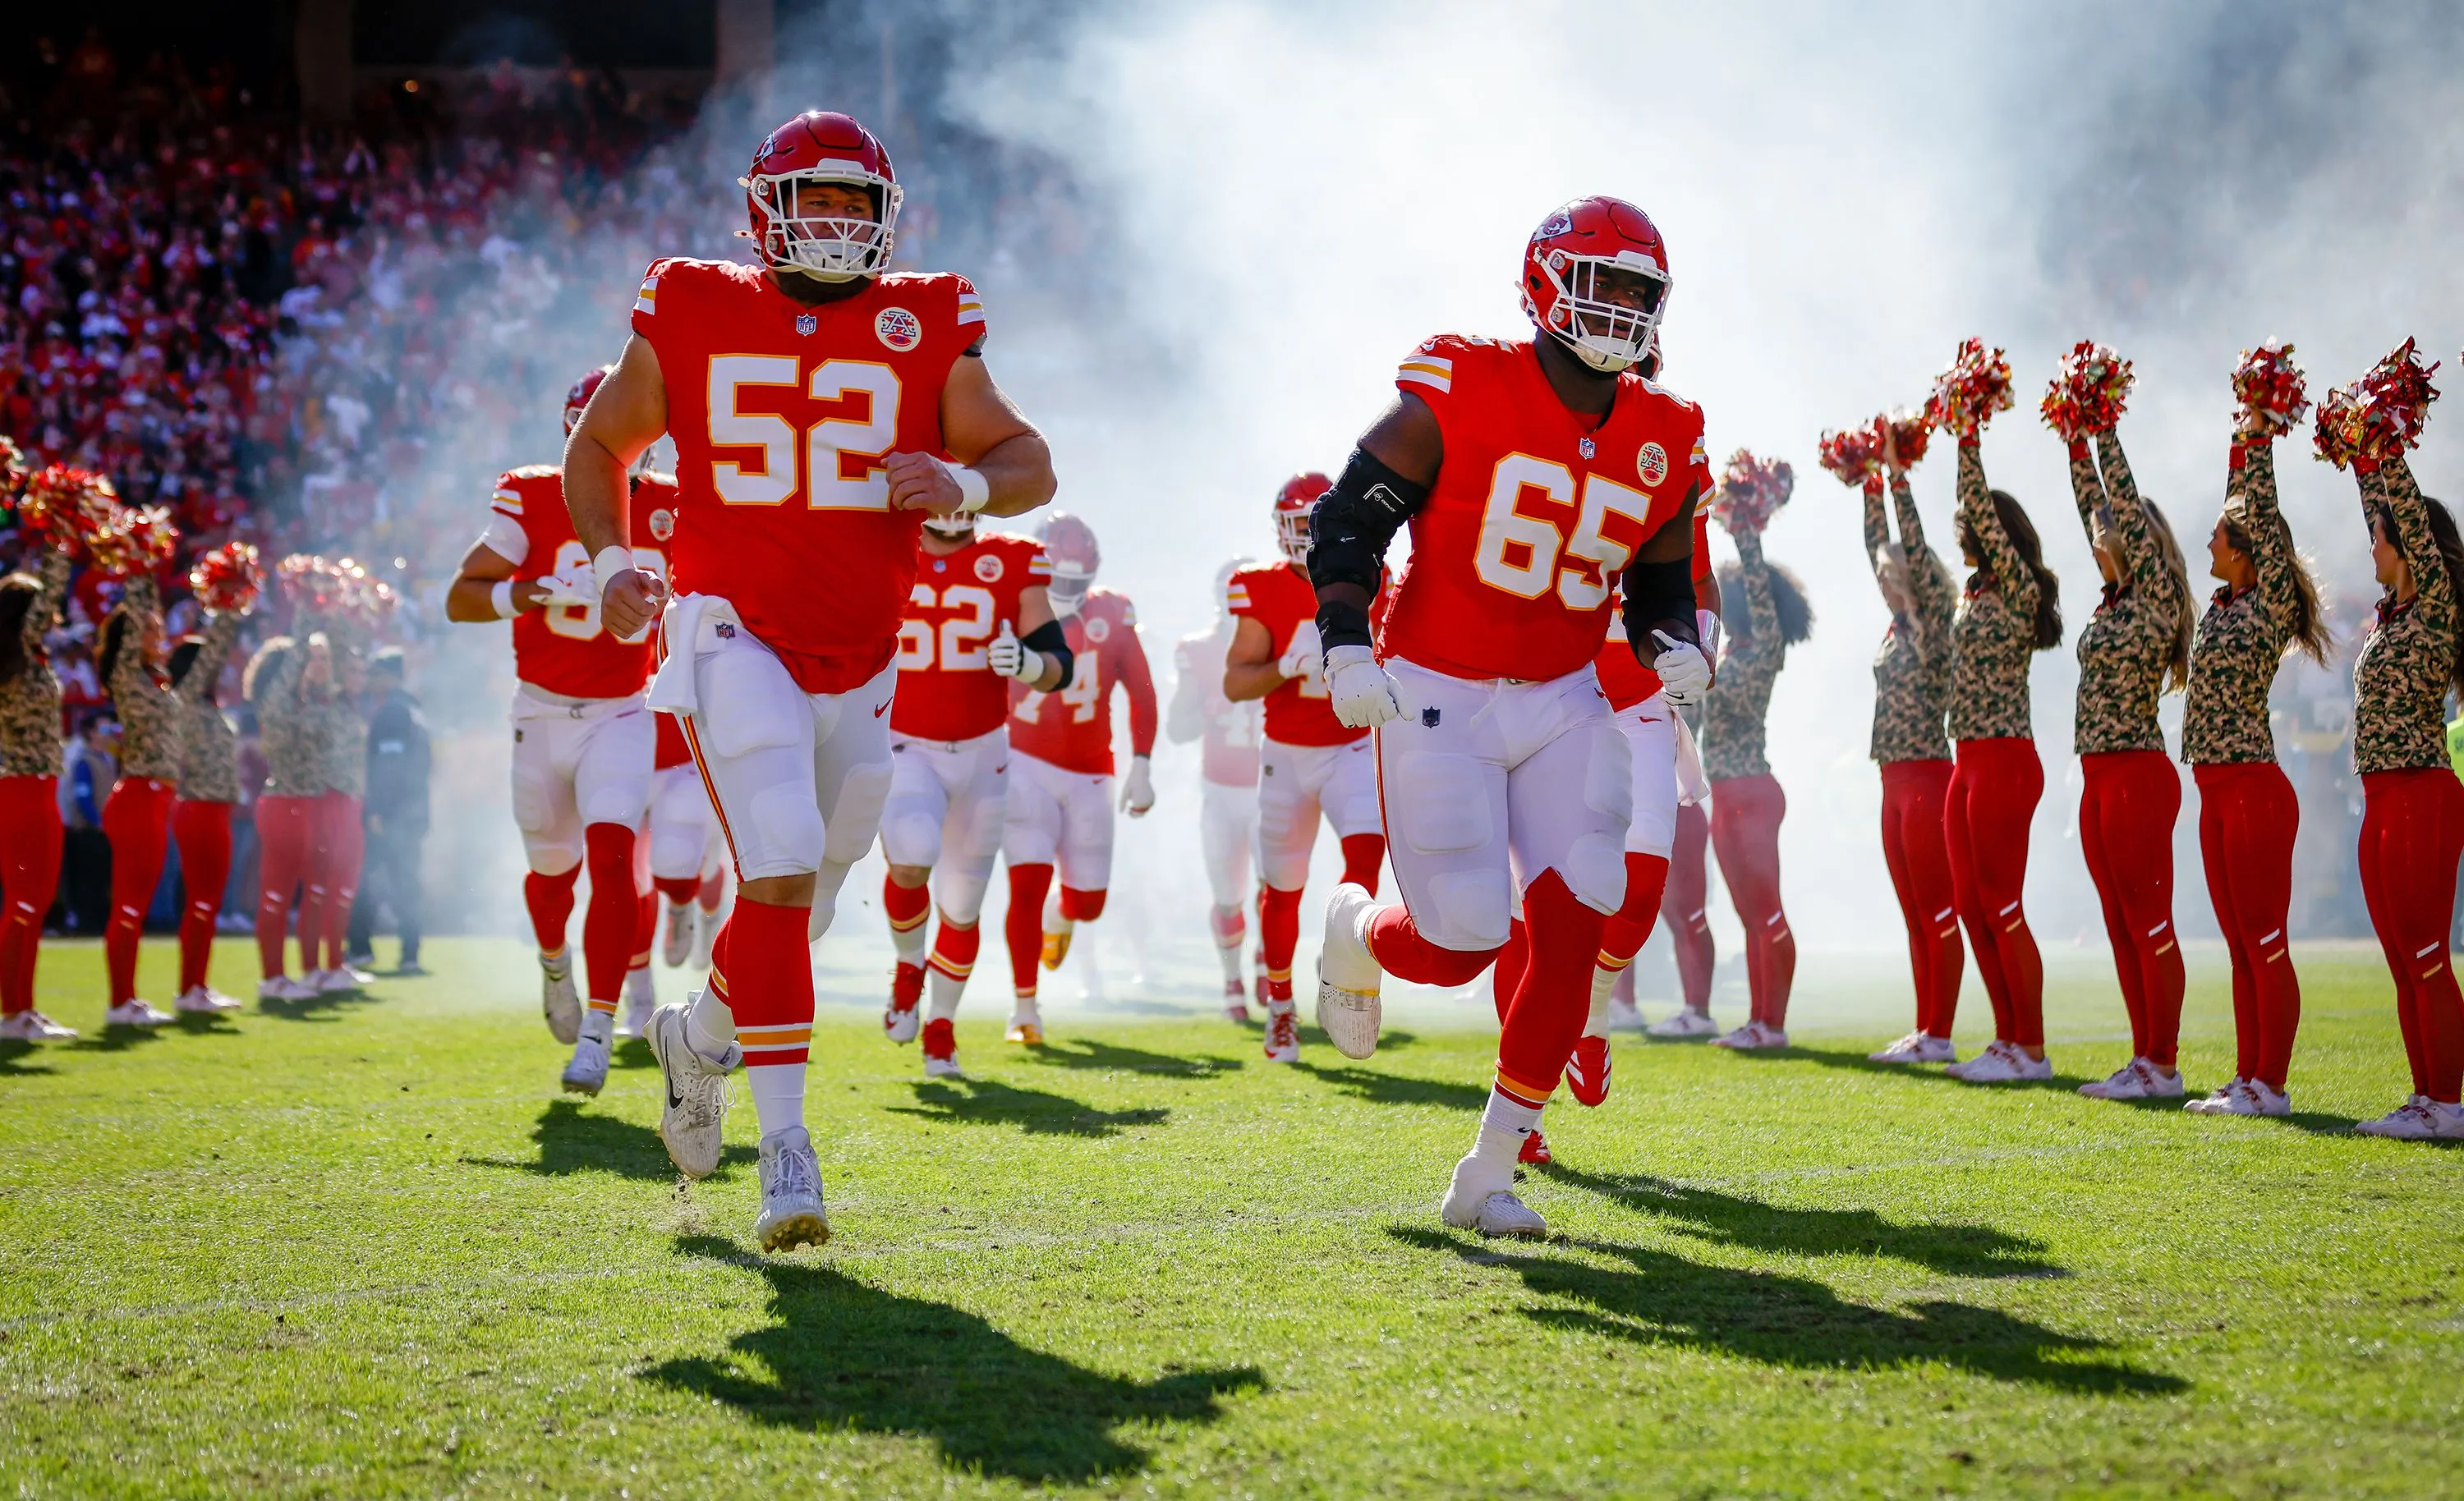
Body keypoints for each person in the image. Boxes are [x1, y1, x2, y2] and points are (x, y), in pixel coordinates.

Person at [573, 111, 1056, 1251]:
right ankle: (788, 1158)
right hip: (730, 628)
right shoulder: (694, 301)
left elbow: (1028, 460)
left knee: (811, 890)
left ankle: (697, 1038)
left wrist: (961, 482)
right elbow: (601, 446)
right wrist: (608, 563)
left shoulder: (927, 314)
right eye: (817, 201)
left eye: (855, 204)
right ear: (766, 209)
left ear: (885, 217)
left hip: (866, 653)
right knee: (783, 858)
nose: (836, 224)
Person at [1307, 198, 1711, 1237]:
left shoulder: (1667, 432)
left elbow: (1658, 580)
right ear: (1544, 279)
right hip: (1438, 691)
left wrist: (1674, 640)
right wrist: (1347, 638)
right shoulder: (1462, 380)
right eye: (1602, 282)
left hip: (1567, 699)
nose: (1619, 308)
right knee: (1463, 939)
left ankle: (1489, 1169)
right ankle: (1351, 932)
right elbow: (1350, 517)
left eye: (1637, 291)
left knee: (1578, 915)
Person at [444, 368, 675, 1097]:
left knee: (613, 858)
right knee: (553, 874)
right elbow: (461, 598)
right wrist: (529, 590)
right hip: (541, 710)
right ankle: (553, 962)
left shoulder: (675, 504)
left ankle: (600, 1031)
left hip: (622, 709)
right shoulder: (534, 492)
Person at [2182, 354, 2329, 1117]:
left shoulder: (2265, 602)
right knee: (2239, 941)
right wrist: (2240, 431)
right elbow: (2242, 503)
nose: (2206, 542)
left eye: (2217, 534)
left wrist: (2262, 434)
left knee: (2265, 938)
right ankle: (2248, 1079)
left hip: (2252, 789)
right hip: (2213, 787)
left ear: (2245, 550)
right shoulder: (2224, 599)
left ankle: (2271, 1083)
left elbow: (2258, 509)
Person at [877, 507, 1064, 1080]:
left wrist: (1029, 663)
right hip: (907, 742)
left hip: (984, 752)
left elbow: (1061, 666)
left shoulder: (1012, 556)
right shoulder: (884, 544)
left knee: (961, 907)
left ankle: (942, 1027)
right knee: (910, 856)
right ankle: (910, 965)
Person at [1223, 475, 1386, 1062]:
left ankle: (1341, 952)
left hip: (1351, 748)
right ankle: (1281, 1006)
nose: (1304, 538)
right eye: (1295, 527)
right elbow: (1235, 680)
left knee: (1367, 856)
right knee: (1283, 885)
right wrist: (1282, 670)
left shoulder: (1375, 578)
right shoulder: (1259, 588)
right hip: (1288, 754)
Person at [2340, 365, 2464, 1138]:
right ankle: (2425, 1096)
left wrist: (2385, 435)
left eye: (2379, 537)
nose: (2372, 546)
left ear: (2408, 546)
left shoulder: (2440, 608)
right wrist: (2357, 447)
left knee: (2425, 951)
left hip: (2422, 793)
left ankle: (2447, 1102)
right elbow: (2384, 509)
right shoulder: (2393, 613)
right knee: (2399, 954)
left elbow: (2405, 515)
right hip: (2381, 796)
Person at [2062, 415, 2196, 1101]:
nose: (2095, 535)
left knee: (2148, 920)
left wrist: (2104, 430)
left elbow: (2115, 496)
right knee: (2118, 924)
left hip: (2136, 773)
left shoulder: (2155, 594)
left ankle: (2163, 1063)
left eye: (2107, 528)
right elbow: (2094, 499)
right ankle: (2143, 1058)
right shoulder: (2112, 600)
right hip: (2096, 773)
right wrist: (2070, 438)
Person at [1938, 416, 2064, 1084]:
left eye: (1976, 527)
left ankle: (2032, 1049)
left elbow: (1976, 507)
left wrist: (1967, 436)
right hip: (1967, 759)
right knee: (1970, 905)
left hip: (2006, 758)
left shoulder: (2017, 585)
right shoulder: (1976, 588)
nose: (1963, 532)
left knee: (2002, 902)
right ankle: (2006, 1040)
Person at [1000, 511, 1156, 1041]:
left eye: (1077, 582)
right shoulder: (1011, 604)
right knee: (1026, 880)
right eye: (1057, 580)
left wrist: (1142, 763)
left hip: (1091, 768)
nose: (1066, 592)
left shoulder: (1111, 612)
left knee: (1087, 904)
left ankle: (1060, 914)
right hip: (1022, 760)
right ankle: (1025, 1008)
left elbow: (1141, 690)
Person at [1861, 441, 1965, 1065]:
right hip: (1892, 779)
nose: (1880, 582)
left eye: (1888, 574)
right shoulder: (1896, 625)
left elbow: (1914, 551)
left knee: (1936, 907)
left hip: (1929, 774)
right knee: (1912, 911)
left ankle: (1941, 1032)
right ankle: (1926, 1028)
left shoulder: (1933, 617)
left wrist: (1897, 481)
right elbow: (1875, 543)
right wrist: (1867, 483)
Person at [1700, 518, 1812, 1049]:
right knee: (1748, 915)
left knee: (1766, 911)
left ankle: (1774, 1024)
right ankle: (1757, 1020)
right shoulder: (1725, 654)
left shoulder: (1765, 650)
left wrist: (1747, 530)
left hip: (1752, 792)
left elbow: (1758, 592)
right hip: (1724, 794)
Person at [1168, 558, 1264, 1018]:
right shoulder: (1199, 650)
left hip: (1272, 785)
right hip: (1220, 788)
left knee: (1275, 888)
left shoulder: (1281, 637)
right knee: (1228, 894)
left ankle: (1269, 964)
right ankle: (1232, 981)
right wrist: (1203, 707)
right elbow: (1176, 728)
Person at [98, 571, 183, 1025]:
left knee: (137, 904)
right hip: (136, 797)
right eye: (147, 629)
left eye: (159, 627)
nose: (157, 635)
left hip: (154, 799)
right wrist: (138, 567)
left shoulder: (155, 679)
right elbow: (133, 625)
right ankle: (120, 1003)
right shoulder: (127, 675)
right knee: (129, 904)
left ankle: (127, 999)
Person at [0, 542, 75, 1040]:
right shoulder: (18, 656)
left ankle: (24, 1009)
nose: (50, 619)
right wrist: (60, 536)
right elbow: (49, 593)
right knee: (24, 900)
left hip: (42, 788)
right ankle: (13, 1013)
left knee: (39, 899)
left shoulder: (31, 657)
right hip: (21, 790)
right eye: (40, 611)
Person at [168, 593, 251, 1012]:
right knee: (201, 901)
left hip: (214, 808)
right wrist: (229, 606)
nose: (217, 670)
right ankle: (190, 988)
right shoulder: (185, 701)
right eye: (208, 665)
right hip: (199, 807)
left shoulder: (205, 707)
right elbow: (213, 651)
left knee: (208, 903)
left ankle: (196, 986)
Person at [246, 627, 329, 1001]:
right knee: (276, 896)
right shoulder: (276, 702)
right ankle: (272, 977)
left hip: (305, 804)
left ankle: (302, 972)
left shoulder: (304, 701)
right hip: (283, 804)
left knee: (307, 893)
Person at [349, 648, 430, 976]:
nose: (370, 680)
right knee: (407, 884)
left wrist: (378, 810)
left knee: (363, 880)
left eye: (375, 674)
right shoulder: (414, 709)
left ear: (388, 675)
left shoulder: (392, 711)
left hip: (392, 815)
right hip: (412, 813)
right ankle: (410, 953)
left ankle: (359, 948)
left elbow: (390, 764)